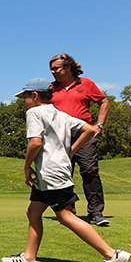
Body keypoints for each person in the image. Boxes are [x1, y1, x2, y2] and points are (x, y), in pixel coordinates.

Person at [1, 78, 129, 262]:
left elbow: (35, 142)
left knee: (65, 216)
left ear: (34, 96)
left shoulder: (33, 112)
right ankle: (29, 259)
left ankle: (112, 256)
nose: (23, 101)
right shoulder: (60, 114)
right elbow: (88, 129)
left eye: (24, 97)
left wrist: (26, 167)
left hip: (51, 174)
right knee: (33, 211)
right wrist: (70, 151)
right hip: (53, 173)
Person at [49, 54, 110, 226]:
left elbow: (104, 102)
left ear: (68, 68)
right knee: (63, 173)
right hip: (59, 136)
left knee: (90, 171)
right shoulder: (51, 88)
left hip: (84, 135)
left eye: (56, 68)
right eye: (51, 69)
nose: (53, 72)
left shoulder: (86, 84)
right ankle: (68, 213)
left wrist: (99, 125)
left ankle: (96, 213)